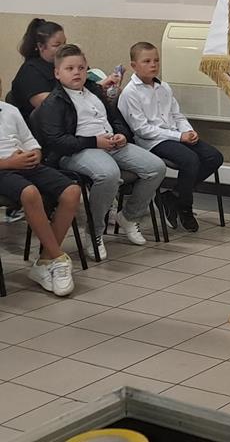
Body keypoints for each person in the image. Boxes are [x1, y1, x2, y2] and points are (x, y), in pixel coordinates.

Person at [32, 45, 166, 260]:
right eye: (69, 69)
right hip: (78, 149)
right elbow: (57, 142)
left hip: (111, 143)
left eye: (81, 68)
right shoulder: (54, 102)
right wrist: (94, 141)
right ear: (57, 73)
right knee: (109, 174)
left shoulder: (94, 90)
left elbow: (116, 118)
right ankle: (94, 231)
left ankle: (129, 216)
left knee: (156, 167)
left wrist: (121, 135)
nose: (76, 73)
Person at [117, 42, 223, 233]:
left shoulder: (163, 87)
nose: (153, 65)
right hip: (152, 141)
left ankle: (173, 196)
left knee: (214, 157)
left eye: (156, 60)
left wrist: (188, 131)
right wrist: (179, 136)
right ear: (134, 65)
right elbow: (142, 130)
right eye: (147, 61)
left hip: (175, 135)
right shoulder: (130, 93)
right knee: (190, 160)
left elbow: (177, 115)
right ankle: (185, 207)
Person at [0, 81, 81, 296]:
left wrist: (35, 153)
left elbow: (30, 141)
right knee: (30, 193)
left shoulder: (9, 111)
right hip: (3, 169)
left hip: (25, 163)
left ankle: (45, 260)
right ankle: (59, 258)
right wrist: (8, 163)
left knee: (72, 192)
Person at [11, 18, 120, 122]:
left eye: (64, 43)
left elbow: (85, 88)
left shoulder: (66, 62)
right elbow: (51, 107)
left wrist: (103, 88)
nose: (63, 48)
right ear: (41, 46)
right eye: (57, 45)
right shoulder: (30, 72)